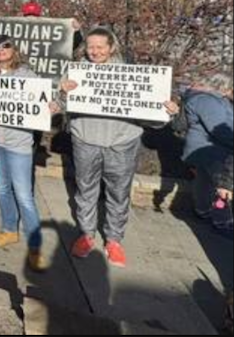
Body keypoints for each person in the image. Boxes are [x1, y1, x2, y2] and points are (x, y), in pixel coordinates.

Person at [59, 26, 179, 268]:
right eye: (90, 47)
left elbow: (153, 120)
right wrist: (63, 93)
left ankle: (114, 240)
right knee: (85, 191)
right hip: (85, 140)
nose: (95, 52)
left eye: (100, 47)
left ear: (111, 47)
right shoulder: (75, 72)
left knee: (119, 194)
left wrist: (167, 112)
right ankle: (86, 235)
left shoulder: (133, 75)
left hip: (122, 144)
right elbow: (60, 107)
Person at [0, 35, 53, 272]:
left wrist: (53, 103)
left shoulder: (28, 75)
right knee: (2, 189)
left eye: (6, 46)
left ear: (14, 50)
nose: (1, 50)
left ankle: (35, 247)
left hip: (19, 145)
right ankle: (9, 229)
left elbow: (45, 103)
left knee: (24, 196)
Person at [181, 72, 233, 237]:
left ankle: (202, 210)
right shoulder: (208, 101)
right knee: (223, 187)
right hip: (212, 150)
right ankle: (222, 220)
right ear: (222, 87)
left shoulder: (208, 99)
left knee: (205, 182)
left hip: (204, 148)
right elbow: (220, 129)